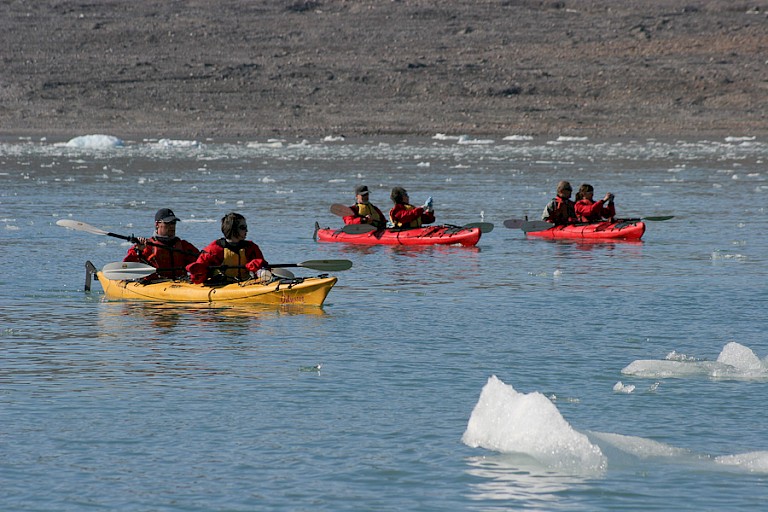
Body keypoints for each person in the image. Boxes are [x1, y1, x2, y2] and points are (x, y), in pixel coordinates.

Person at [186, 212, 270, 285]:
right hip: (221, 285)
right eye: (243, 227)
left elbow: (262, 265)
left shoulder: (250, 248)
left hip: (245, 283)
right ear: (233, 229)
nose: (247, 230)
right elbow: (198, 274)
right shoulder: (214, 249)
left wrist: (260, 270)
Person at [123, 208, 199, 280]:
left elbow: (200, 261)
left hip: (180, 284)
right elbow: (126, 267)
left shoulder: (184, 246)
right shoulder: (145, 246)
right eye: (168, 223)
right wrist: (138, 251)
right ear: (157, 224)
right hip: (156, 285)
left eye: (173, 223)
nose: (172, 226)